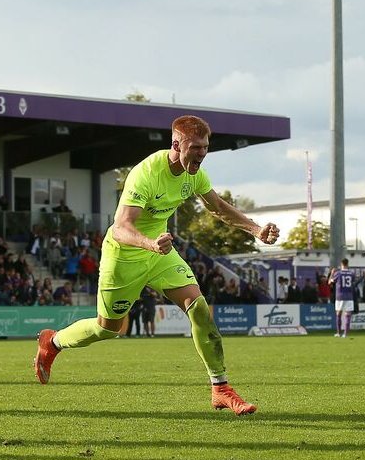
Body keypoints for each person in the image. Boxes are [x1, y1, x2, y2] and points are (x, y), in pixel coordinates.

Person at [33, 115, 279, 415]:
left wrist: (255, 230)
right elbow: (121, 227)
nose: (202, 154)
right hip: (125, 255)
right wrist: (150, 243)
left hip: (160, 254)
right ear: (176, 144)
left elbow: (218, 208)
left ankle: (221, 388)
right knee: (108, 329)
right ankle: (53, 342)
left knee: (199, 308)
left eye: (206, 148)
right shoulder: (146, 174)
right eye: (196, 148)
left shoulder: (195, 174)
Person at [329, 259, 354, 338]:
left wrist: (332, 274)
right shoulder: (352, 273)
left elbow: (330, 282)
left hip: (340, 296)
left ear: (341, 264)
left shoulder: (338, 273)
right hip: (349, 296)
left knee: (338, 314)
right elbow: (353, 282)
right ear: (348, 264)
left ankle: (338, 333)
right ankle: (345, 334)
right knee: (348, 315)